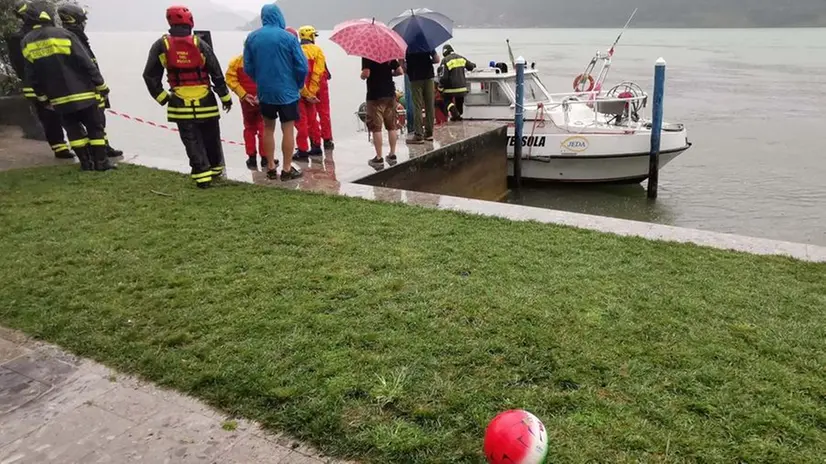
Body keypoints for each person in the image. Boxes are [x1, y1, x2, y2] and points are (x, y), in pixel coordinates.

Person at [142, 5, 233, 189]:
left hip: (180, 101)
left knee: (191, 139)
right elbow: (216, 72)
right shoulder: (201, 44)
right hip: (206, 99)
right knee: (212, 137)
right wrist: (225, 97)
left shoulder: (161, 45)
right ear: (190, 22)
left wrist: (163, 98)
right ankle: (216, 170)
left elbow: (150, 75)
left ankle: (202, 176)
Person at [20, 1, 115, 171]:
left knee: (73, 130)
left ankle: (86, 163)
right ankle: (101, 162)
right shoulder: (64, 35)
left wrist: (42, 99)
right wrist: (102, 86)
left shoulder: (27, 42)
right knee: (95, 128)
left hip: (58, 97)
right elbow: (86, 63)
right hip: (84, 92)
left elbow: (32, 75)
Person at [243, 4, 307, 181]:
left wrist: (259, 80)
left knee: (268, 128)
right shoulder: (289, 38)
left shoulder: (252, 38)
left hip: (265, 92)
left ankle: (270, 166)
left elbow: (247, 66)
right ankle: (287, 169)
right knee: (288, 129)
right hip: (287, 92)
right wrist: (299, 84)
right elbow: (302, 66)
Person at [57, 2, 123, 158]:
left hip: (88, 86)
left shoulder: (74, 37)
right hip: (86, 88)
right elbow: (85, 64)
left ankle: (104, 147)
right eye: (82, 20)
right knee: (94, 122)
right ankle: (98, 153)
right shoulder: (71, 37)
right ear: (74, 20)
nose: (84, 24)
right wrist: (100, 85)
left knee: (98, 120)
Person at [9, 0, 72, 160]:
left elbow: (17, 65)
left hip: (37, 83)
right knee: (56, 114)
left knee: (49, 115)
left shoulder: (20, 37)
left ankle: (61, 146)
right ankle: (63, 146)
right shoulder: (36, 36)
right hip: (47, 82)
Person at [225, 53, 265, 169]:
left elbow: (230, 79)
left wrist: (243, 94)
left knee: (249, 127)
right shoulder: (263, 59)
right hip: (263, 98)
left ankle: (251, 158)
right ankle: (265, 158)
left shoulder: (236, 62)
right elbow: (271, 77)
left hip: (246, 101)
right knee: (264, 127)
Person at [361, 57, 404, 165]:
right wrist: (389, 73)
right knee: (391, 126)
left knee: (376, 128)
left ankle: (379, 157)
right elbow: (400, 71)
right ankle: (392, 154)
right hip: (390, 94)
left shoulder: (368, 54)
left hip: (375, 95)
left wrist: (362, 76)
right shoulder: (388, 53)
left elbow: (366, 73)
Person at [293, 25, 325, 160]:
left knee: (301, 122)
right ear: (310, 36)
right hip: (311, 93)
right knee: (313, 120)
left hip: (299, 92)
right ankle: (317, 146)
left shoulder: (296, 51)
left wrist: (305, 92)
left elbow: (294, 74)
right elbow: (318, 72)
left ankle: (302, 149)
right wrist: (311, 93)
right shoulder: (318, 51)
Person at [404, 46, 440, 143]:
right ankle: (429, 134)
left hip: (415, 77)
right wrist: (428, 62)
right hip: (429, 76)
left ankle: (418, 135)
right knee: (429, 105)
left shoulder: (406, 46)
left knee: (417, 106)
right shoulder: (427, 43)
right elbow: (437, 59)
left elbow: (403, 67)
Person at [437, 44, 476, 121]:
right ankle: (457, 115)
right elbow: (471, 67)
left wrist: (440, 87)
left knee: (446, 100)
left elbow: (444, 77)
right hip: (462, 89)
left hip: (450, 89)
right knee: (459, 106)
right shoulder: (461, 58)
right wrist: (474, 65)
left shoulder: (445, 60)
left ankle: (454, 111)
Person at [319, 63, 333, 150]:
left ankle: (314, 142)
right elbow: (328, 75)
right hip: (322, 84)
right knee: (324, 113)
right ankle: (327, 140)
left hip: (308, 85)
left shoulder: (301, 52)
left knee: (310, 116)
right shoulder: (318, 52)